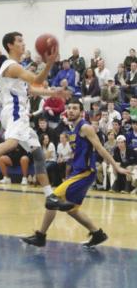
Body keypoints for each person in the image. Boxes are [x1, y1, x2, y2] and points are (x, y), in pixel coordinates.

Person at [0, 31, 70, 206]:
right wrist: (50, 63)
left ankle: (49, 196)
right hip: (14, 110)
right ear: (10, 45)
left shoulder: (17, 67)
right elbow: (37, 80)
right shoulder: (12, 66)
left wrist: (54, 92)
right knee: (13, 142)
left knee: (38, 154)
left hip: (18, 112)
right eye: (20, 41)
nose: (24, 44)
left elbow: (32, 90)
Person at [22, 99, 131, 248]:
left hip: (85, 172)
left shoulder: (85, 127)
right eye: (70, 108)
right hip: (77, 172)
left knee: (52, 199)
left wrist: (116, 168)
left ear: (81, 111)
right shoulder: (73, 128)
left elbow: (100, 149)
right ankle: (97, 234)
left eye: (75, 108)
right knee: (72, 210)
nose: (71, 110)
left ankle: (41, 236)